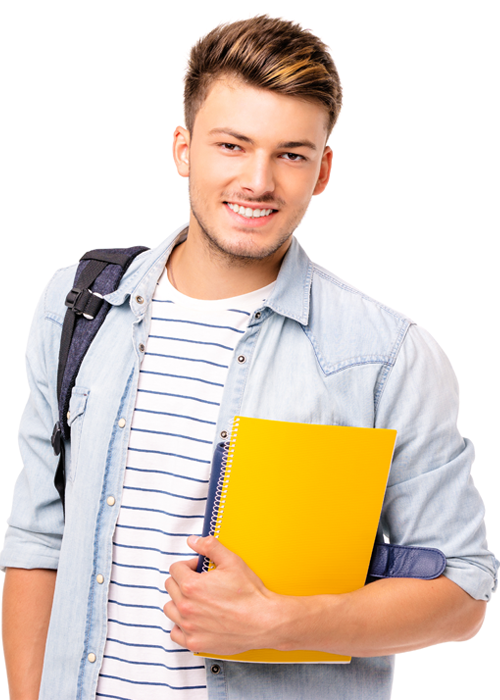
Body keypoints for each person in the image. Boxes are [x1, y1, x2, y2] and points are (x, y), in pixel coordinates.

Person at [1, 14, 497, 700]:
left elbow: (463, 592)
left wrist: (281, 623)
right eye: (232, 145)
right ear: (184, 149)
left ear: (322, 170)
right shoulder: (82, 306)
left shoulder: (386, 358)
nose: (258, 181)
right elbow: (38, 542)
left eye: (291, 154)